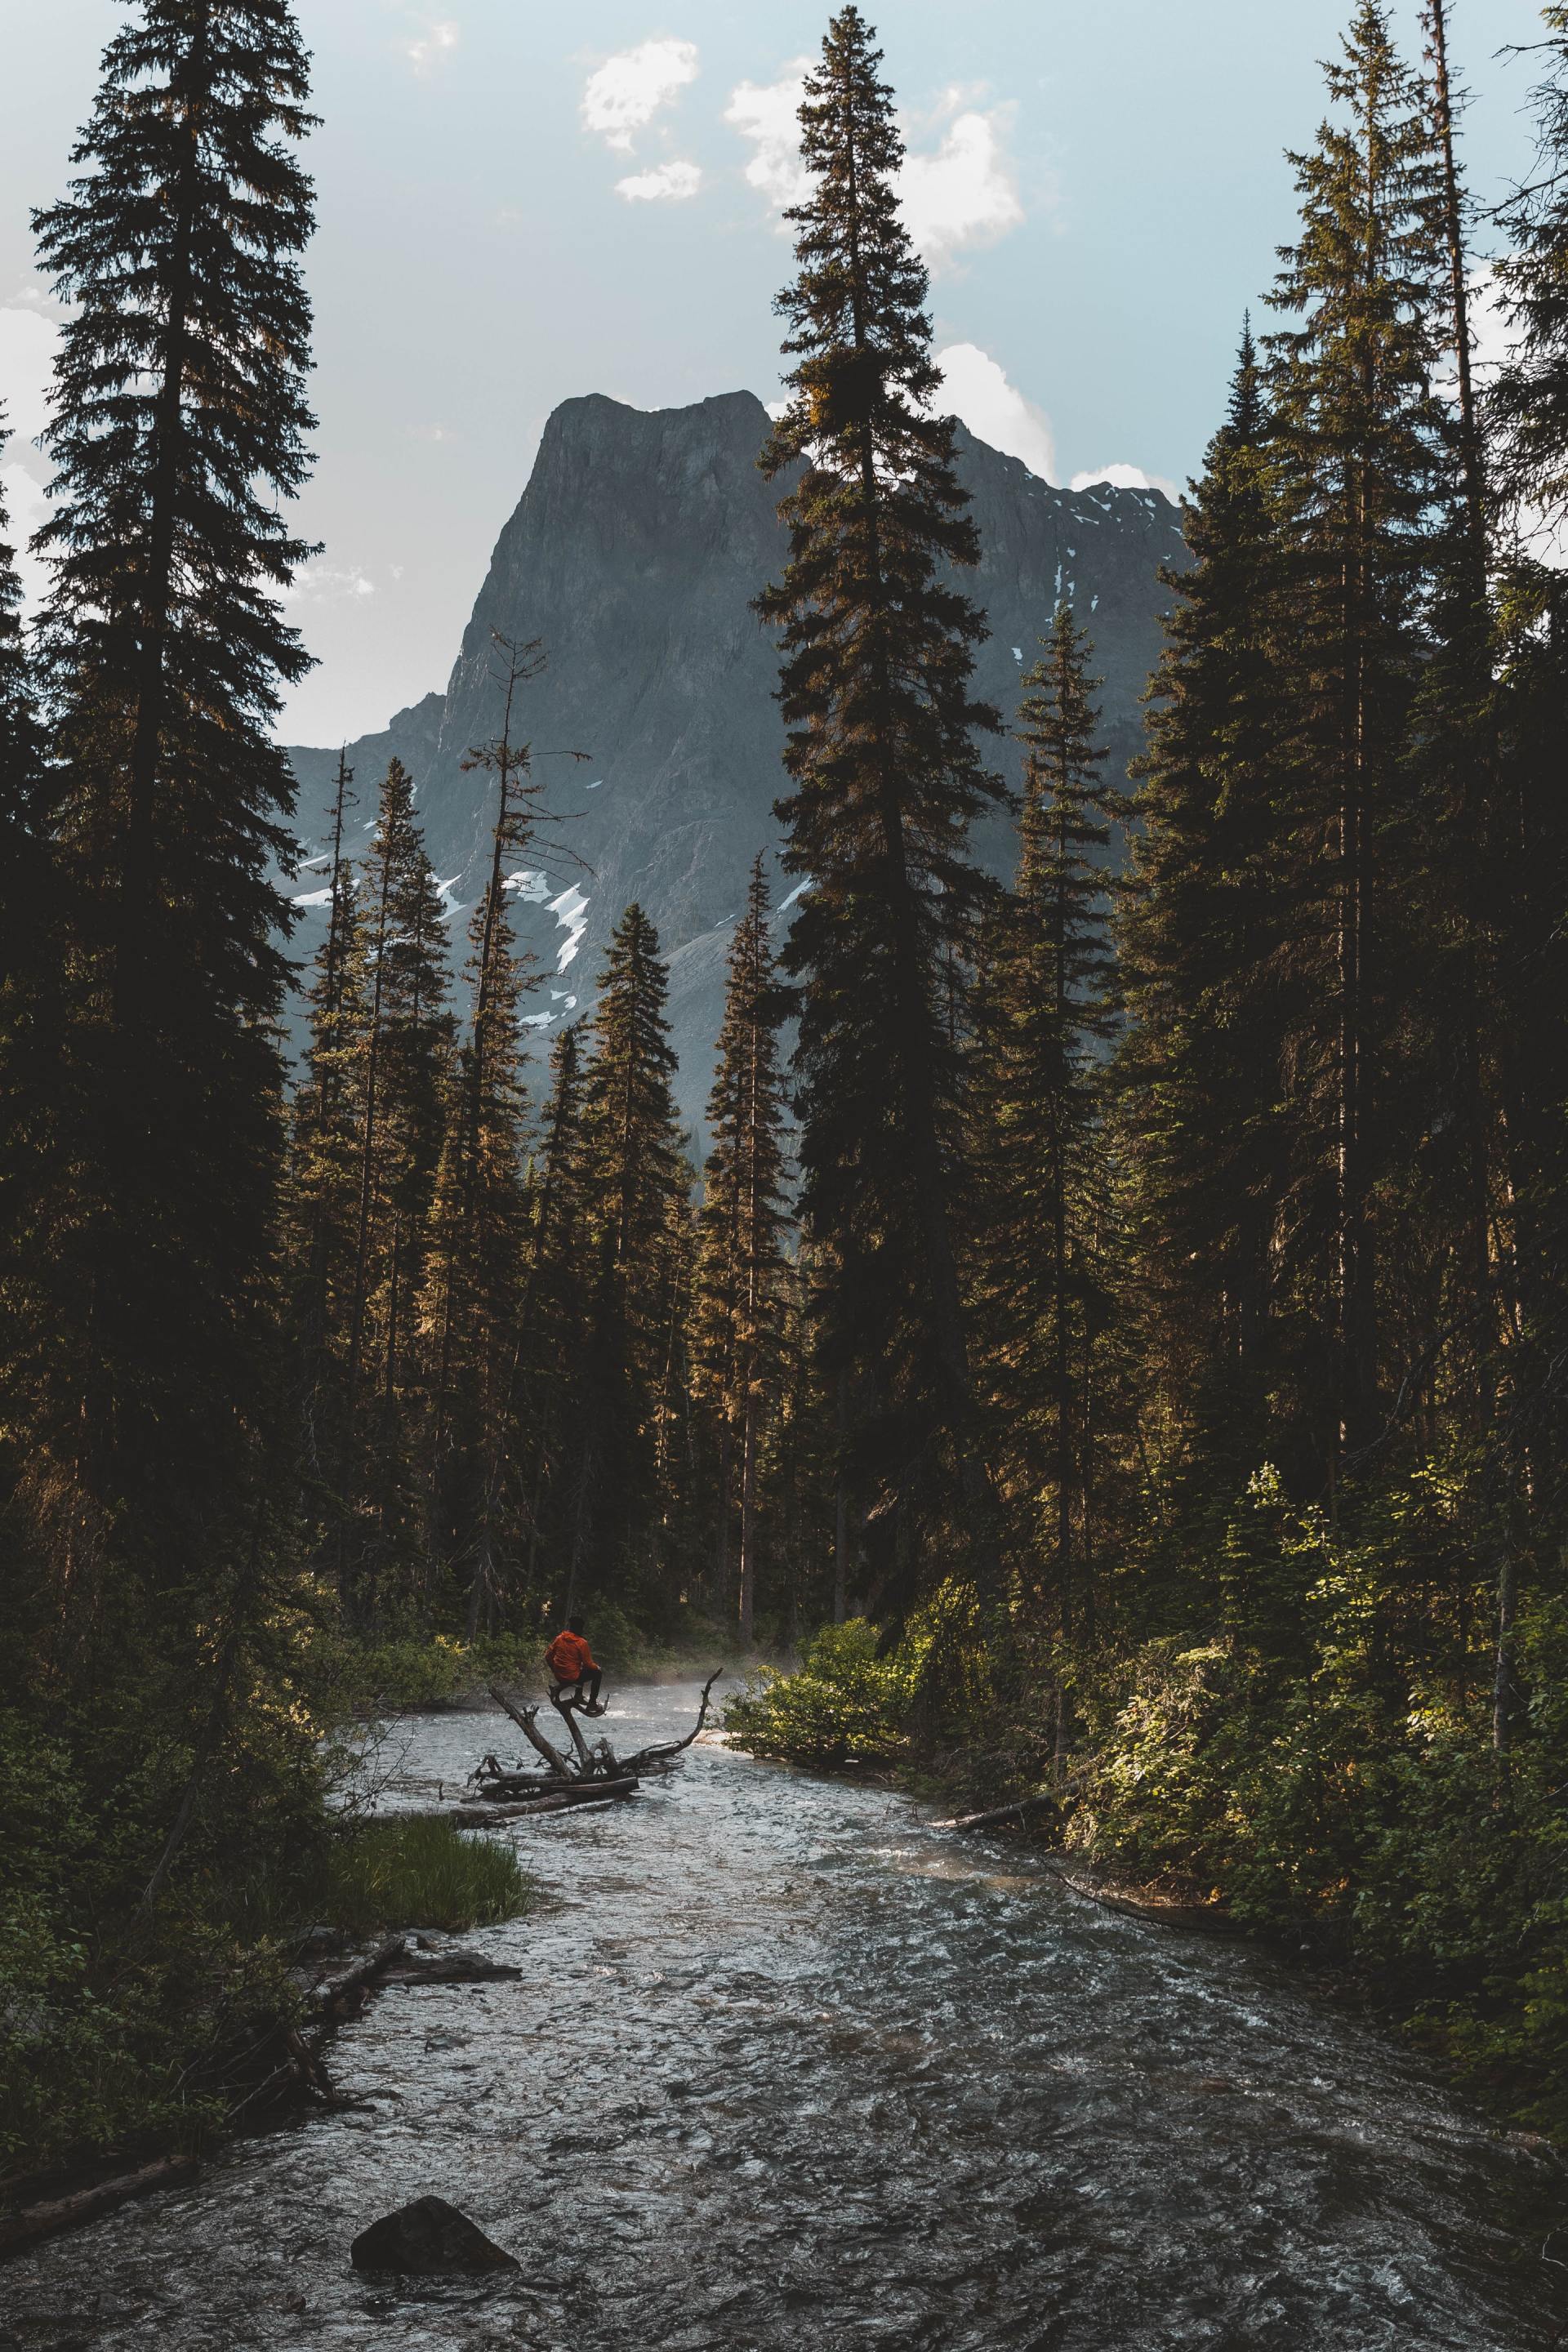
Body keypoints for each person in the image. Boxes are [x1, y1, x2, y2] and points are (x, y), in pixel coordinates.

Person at [546, 1616, 604, 1716]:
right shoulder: (582, 1643)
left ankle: (579, 1695)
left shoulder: (559, 1639)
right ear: (580, 1629)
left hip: (559, 1676)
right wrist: (597, 1667)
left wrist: (554, 1670)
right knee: (597, 1673)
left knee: (579, 1666)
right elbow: (588, 1664)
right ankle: (592, 1703)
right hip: (573, 1677)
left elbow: (548, 1656)